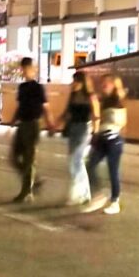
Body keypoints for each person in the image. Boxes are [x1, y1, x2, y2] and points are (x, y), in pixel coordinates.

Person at [7, 57, 54, 203]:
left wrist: (50, 124)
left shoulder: (38, 88)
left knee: (29, 159)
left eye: (28, 69)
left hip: (33, 124)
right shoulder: (22, 87)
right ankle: (35, 181)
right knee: (14, 158)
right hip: (22, 125)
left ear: (34, 70)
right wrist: (13, 121)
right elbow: (20, 106)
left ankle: (26, 191)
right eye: (23, 69)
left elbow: (46, 107)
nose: (25, 72)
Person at [86, 75, 127, 215]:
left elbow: (120, 122)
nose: (103, 86)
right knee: (90, 165)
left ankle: (115, 202)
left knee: (113, 171)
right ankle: (98, 193)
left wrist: (103, 120)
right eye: (102, 84)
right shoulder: (103, 101)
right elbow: (97, 119)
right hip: (102, 139)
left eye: (106, 84)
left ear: (113, 85)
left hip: (113, 140)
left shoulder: (117, 101)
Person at [60, 71, 99, 206]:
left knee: (76, 159)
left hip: (84, 129)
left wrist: (95, 133)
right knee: (74, 161)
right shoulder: (73, 95)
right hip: (73, 128)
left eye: (76, 81)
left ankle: (77, 194)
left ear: (83, 83)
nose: (73, 83)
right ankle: (84, 193)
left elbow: (96, 115)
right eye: (73, 80)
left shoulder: (90, 96)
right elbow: (66, 113)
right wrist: (55, 125)